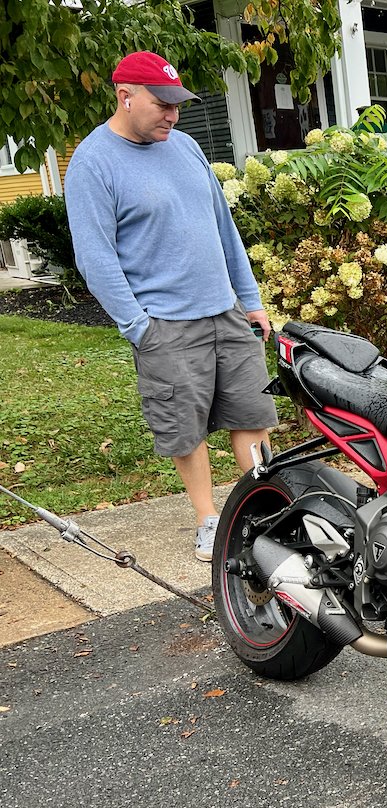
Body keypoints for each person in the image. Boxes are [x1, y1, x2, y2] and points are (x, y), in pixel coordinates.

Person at [64, 51, 278, 562]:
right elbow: (96, 258)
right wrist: (139, 327)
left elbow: (224, 228)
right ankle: (209, 520)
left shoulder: (185, 147)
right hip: (164, 324)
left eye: (177, 105)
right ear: (125, 96)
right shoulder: (93, 163)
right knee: (185, 428)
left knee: (252, 413)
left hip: (225, 312)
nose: (173, 115)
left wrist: (249, 300)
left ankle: (267, 509)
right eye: (162, 105)